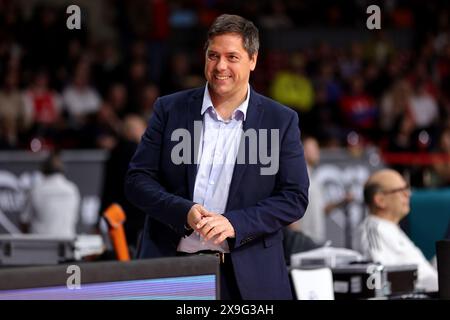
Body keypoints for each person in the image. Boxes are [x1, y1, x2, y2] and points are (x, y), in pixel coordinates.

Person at [125, 14, 309, 300]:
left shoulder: (280, 120)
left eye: (232, 57)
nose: (221, 66)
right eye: (213, 55)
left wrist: (235, 223)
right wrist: (182, 211)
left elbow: (294, 197)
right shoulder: (169, 109)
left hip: (250, 278)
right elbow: (137, 180)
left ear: (253, 60)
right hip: (172, 270)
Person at [353, 169, 438, 292]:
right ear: (380, 200)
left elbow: (422, 273)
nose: (408, 194)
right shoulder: (373, 230)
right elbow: (381, 283)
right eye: (400, 190)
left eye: (407, 188)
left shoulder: (390, 228)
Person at [21, 152, 80, 238]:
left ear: (43, 170)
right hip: (66, 243)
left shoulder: (36, 190)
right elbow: (75, 219)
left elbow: (24, 221)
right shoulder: (72, 189)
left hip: (40, 245)